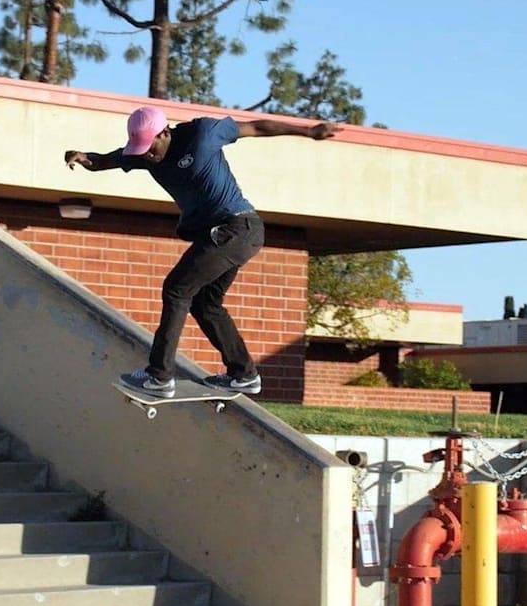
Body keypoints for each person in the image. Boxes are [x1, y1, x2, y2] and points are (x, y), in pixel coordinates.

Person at [65, 106, 338, 398]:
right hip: (222, 235)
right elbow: (107, 160)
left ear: (165, 132)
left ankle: (158, 376)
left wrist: (308, 132)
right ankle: (243, 373)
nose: (147, 155)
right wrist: (83, 158)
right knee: (205, 304)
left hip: (238, 227)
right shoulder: (141, 153)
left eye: (150, 148)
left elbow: (256, 128)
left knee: (176, 289)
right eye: (141, 150)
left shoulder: (203, 133)